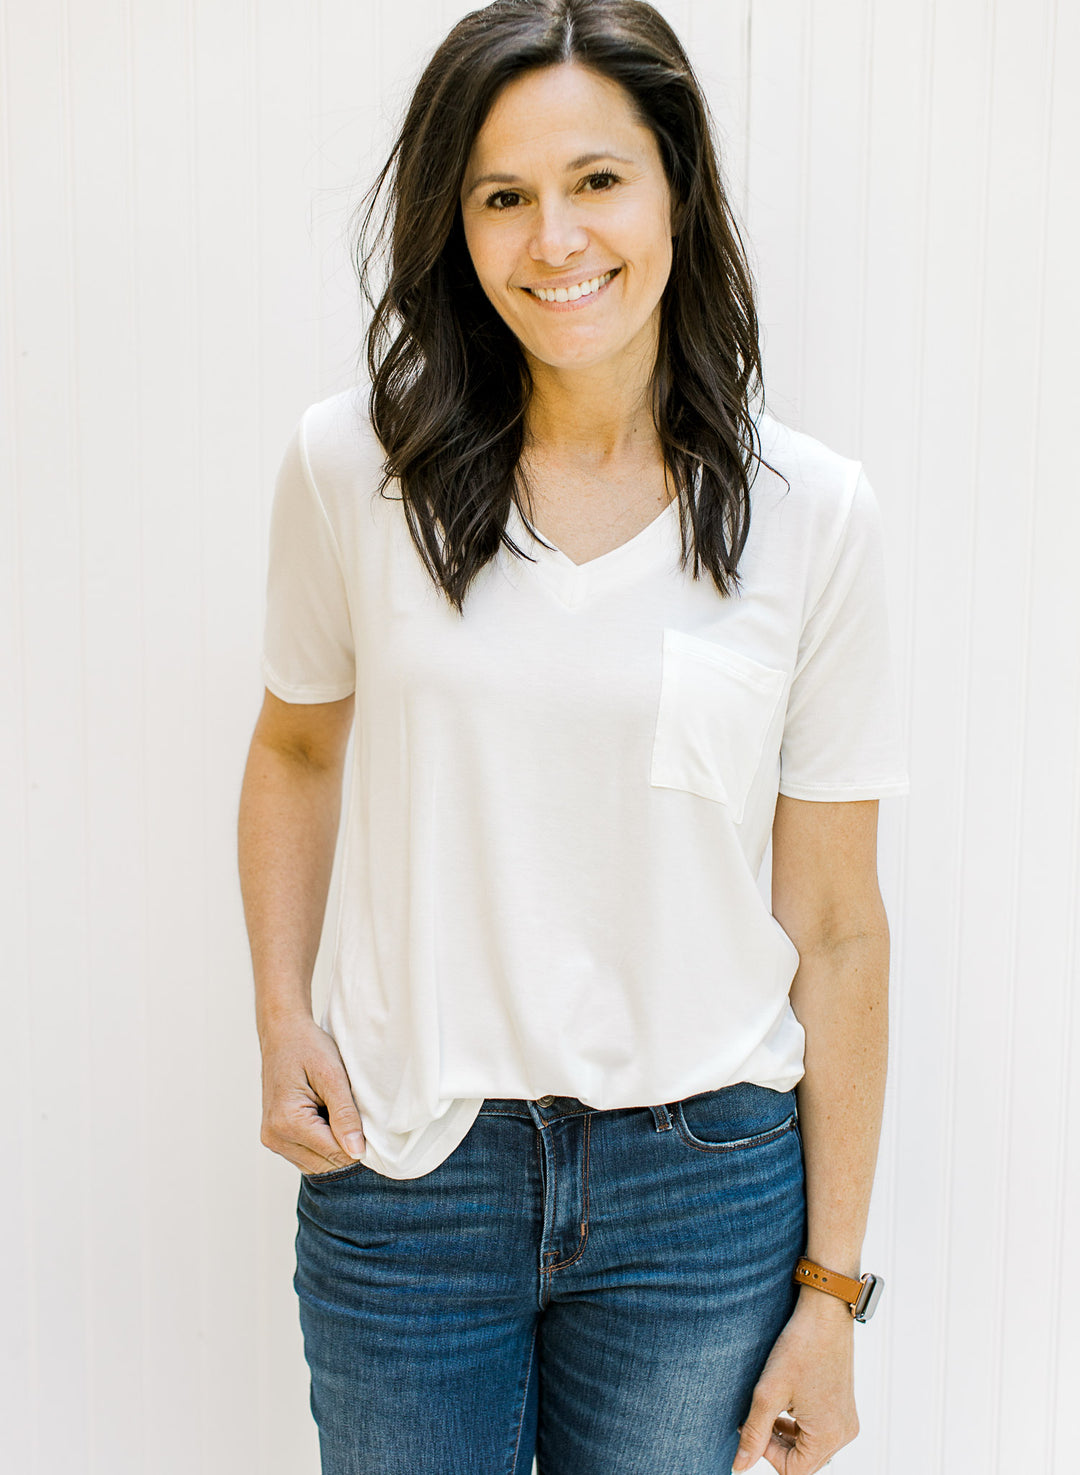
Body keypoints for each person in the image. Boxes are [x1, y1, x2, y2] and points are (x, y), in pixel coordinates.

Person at [237, 2, 909, 1471]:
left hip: (706, 1192)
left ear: (676, 188)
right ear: (457, 227)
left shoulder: (814, 516)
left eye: (598, 181)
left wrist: (833, 1293)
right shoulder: (354, 468)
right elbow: (295, 750)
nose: (557, 240)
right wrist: (284, 1017)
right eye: (503, 196)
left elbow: (841, 928)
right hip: (408, 1172)